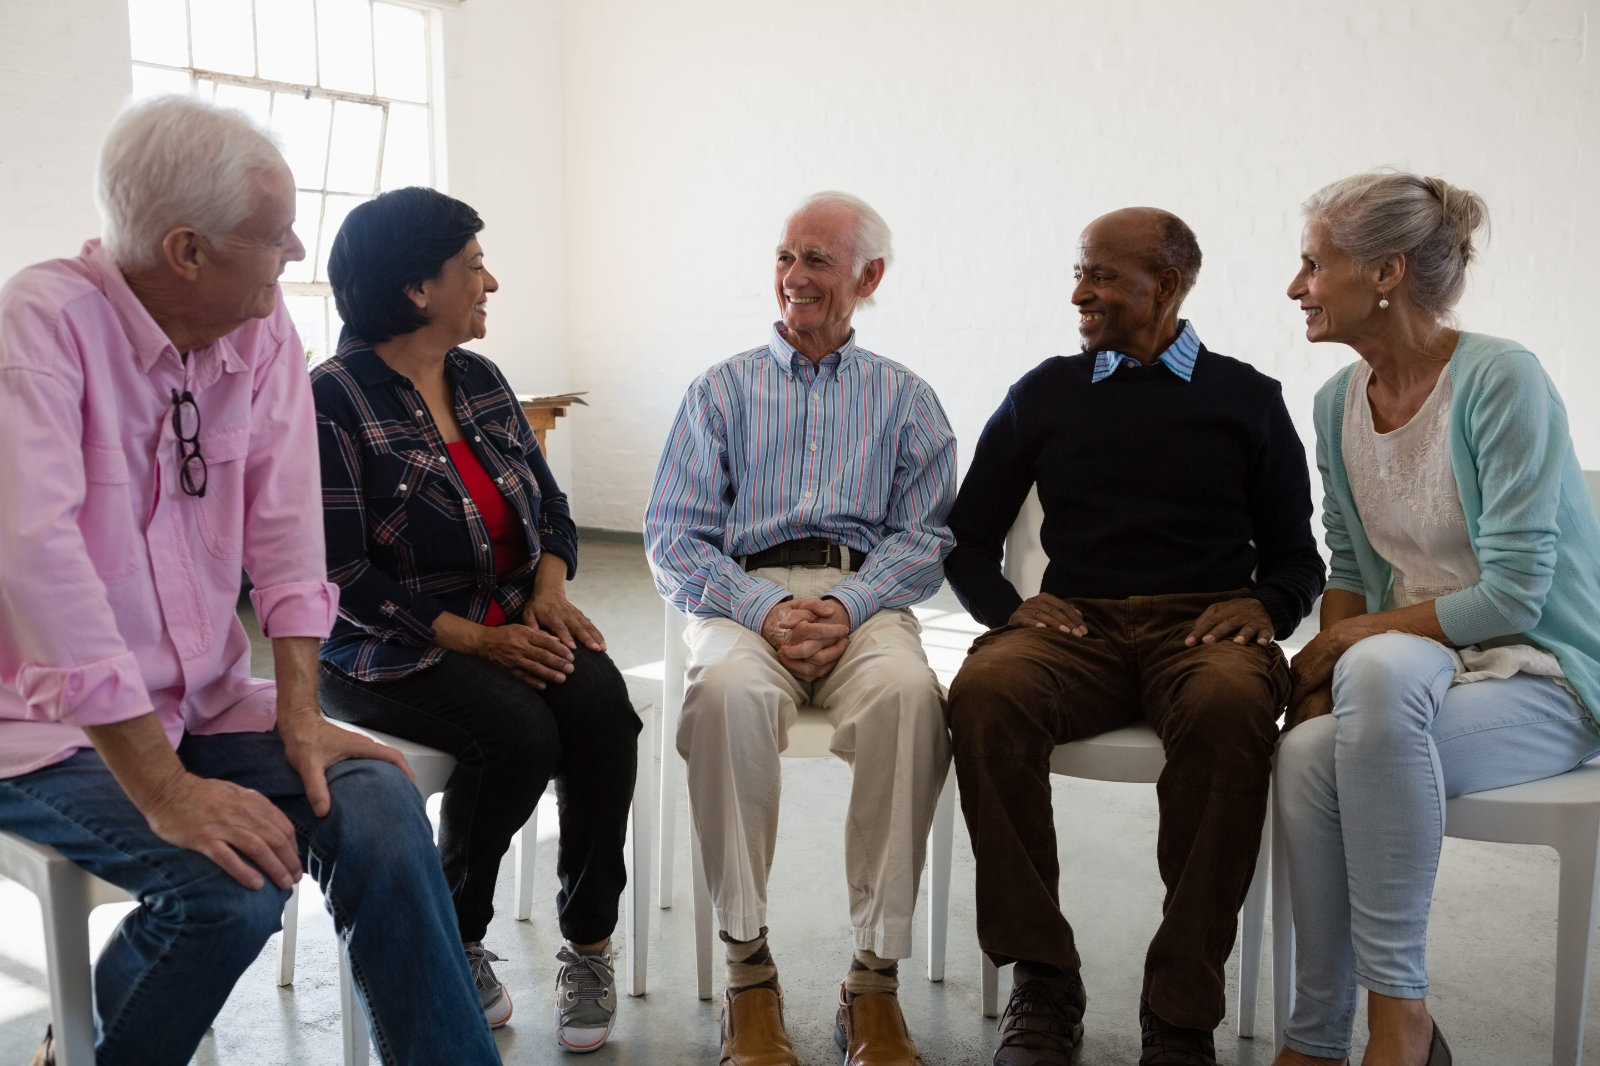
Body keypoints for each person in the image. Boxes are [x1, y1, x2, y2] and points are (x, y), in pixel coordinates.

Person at [0, 95, 501, 1066]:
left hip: (206, 700)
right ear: (186, 250)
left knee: (381, 808)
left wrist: (301, 713)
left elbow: (285, 531)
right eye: (273, 236)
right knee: (227, 894)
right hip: (42, 728)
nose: (298, 253)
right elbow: (38, 558)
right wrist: (164, 789)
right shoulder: (42, 324)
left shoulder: (258, 330)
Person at [943, 207, 1325, 1066]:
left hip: (1206, 627)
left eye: (1103, 276)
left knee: (1233, 709)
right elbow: (964, 536)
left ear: (1168, 285)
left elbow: (1300, 560)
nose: (1081, 293)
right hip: (1077, 626)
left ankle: (1181, 1010)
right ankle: (1043, 979)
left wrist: (1268, 609)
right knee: (987, 693)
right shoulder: (1044, 392)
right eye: (1080, 274)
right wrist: (1007, 609)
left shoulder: (1248, 400)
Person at [1273, 172, 1600, 1066]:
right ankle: (1316, 1039)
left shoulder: (1502, 380)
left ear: (1385, 270)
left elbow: (1515, 597)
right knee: (1305, 751)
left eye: (1312, 264)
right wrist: (1313, 689)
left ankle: (1398, 1020)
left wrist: (1339, 643)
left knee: (1372, 670)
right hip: (1416, 673)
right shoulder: (1338, 402)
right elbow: (1348, 563)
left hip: (1546, 674)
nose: (1296, 287)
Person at [312, 186, 639, 1052]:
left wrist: (550, 593)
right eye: (474, 267)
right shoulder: (333, 400)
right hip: (382, 647)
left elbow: (554, 514)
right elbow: (339, 573)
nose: (489, 282)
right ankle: (455, 937)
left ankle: (589, 943)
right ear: (419, 289)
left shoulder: (483, 380)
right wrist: (480, 640)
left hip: (509, 618)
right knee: (519, 734)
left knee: (605, 711)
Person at [644, 191, 956, 1066]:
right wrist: (763, 609)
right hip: (746, 595)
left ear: (870, 277)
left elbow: (926, 536)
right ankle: (748, 972)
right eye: (786, 257)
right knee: (726, 693)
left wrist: (849, 606)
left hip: (864, 598)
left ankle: (872, 981)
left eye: (818, 260)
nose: (795, 277)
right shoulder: (720, 391)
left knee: (908, 696)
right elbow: (673, 535)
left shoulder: (907, 399)